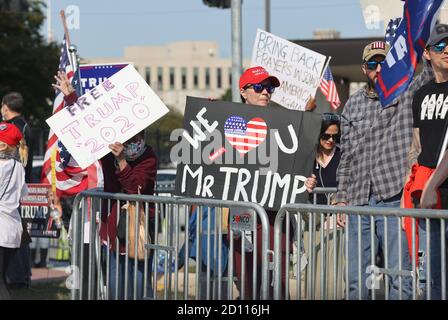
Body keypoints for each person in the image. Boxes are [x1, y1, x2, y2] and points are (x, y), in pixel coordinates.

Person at [334, 40, 433, 300]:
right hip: (357, 199)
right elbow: (345, 156)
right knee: (356, 278)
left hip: (392, 195)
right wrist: (341, 196)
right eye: (372, 63)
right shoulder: (352, 104)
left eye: (384, 63)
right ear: (364, 68)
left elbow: (428, 75)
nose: (378, 69)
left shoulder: (406, 91)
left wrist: (425, 48)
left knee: (398, 274)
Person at [54, 71, 157, 300]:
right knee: (114, 287)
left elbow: (135, 188)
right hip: (112, 229)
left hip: (136, 228)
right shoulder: (108, 150)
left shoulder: (147, 155)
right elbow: (88, 124)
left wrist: (121, 161)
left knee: (137, 286)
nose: (131, 139)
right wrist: (71, 97)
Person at [231, 66, 317, 299]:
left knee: (276, 284)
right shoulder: (230, 121)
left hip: (276, 217)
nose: (265, 92)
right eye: (259, 87)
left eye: (269, 88)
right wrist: (208, 113)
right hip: (244, 216)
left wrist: (305, 181)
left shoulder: (283, 124)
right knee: (248, 284)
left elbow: (298, 165)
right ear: (243, 91)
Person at [403, 24, 448, 299]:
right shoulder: (420, 95)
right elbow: (416, 146)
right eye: (441, 46)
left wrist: (433, 183)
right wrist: (408, 189)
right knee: (433, 278)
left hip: (439, 190)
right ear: (428, 55)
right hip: (429, 199)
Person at [1, 92, 34, 288]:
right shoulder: (26, 126)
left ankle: (17, 278)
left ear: (6, 106)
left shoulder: (13, 128)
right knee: (19, 234)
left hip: (9, 196)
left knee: (15, 238)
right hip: (19, 190)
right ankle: (21, 276)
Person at [0, 122, 28, 300]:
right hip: (11, 230)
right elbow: (22, 194)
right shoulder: (18, 167)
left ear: (3, 145)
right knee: (2, 279)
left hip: (1, 229)